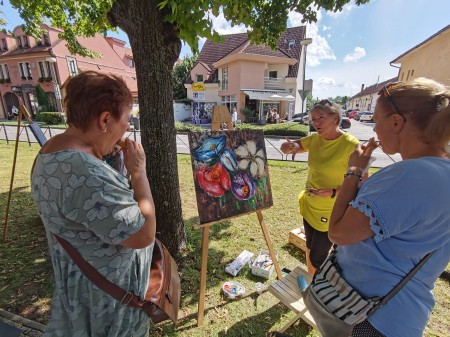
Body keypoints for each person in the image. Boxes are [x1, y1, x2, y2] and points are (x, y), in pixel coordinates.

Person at [30, 70, 156, 337]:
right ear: (105, 119)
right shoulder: (83, 171)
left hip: (82, 288)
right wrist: (138, 173)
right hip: (107, 306)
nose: (127, 131)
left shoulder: (55, 149)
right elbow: (144, 233)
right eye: (126, 123)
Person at [329, 78, 450, 337]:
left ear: (396, 122)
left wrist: (353, 171)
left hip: (371, 315)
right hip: (403, 314)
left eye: (376, 120)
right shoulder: (441, 171)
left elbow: (338, 233)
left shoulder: (408, 175)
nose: (374, 129)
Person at [280, 100, 359, 275]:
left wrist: (333, 192)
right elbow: (286, 148)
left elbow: (361, 182)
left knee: (318, 257)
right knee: (309, 246)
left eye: (321, 117)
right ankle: (311, 282)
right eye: (314, 119)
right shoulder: (314, 139)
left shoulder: (351, 145)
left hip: (332, 210)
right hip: (310, 206)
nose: (316, 123)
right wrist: (289, 146)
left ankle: (318, 290)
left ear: (335, 119)